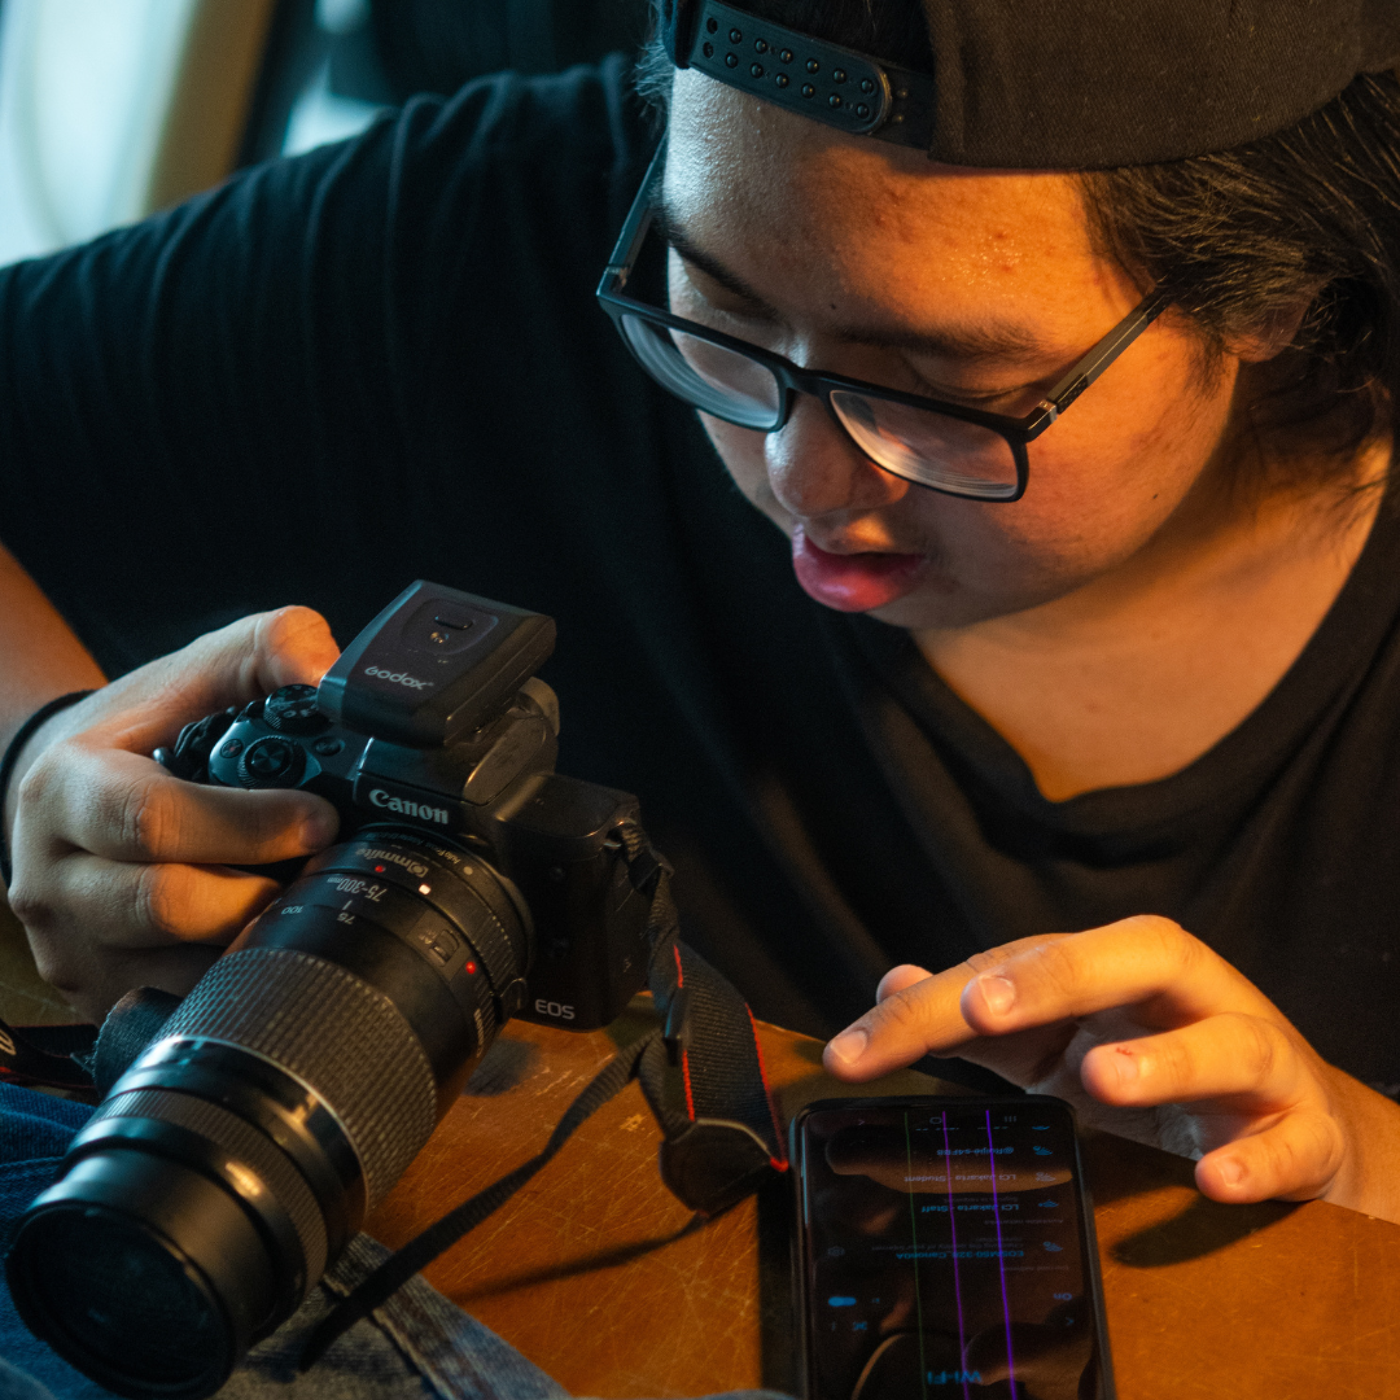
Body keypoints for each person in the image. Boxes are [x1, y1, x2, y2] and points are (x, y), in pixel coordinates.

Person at [2, 0, 1400, 1265]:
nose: (800, 478)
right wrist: (39, 750)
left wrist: (1361, 1153)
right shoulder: (492, 233)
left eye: (939, 388)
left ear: (1268, 290)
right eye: (716, 313)